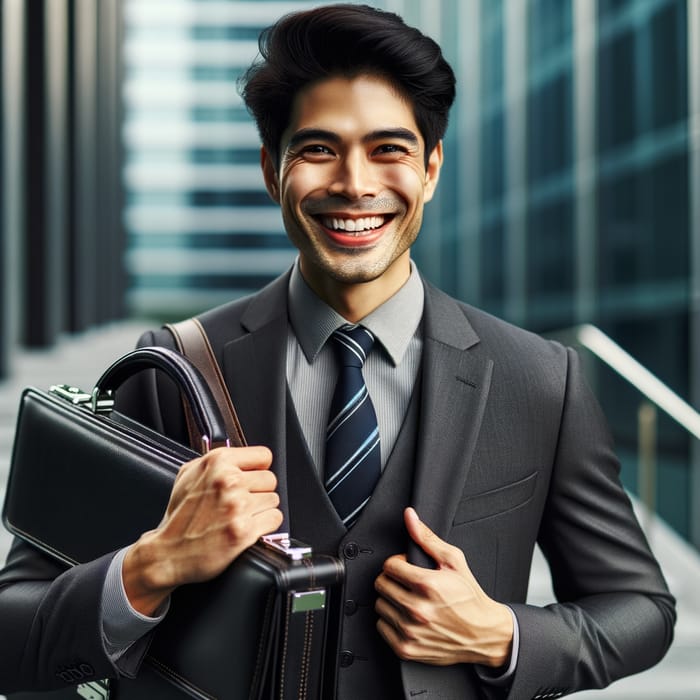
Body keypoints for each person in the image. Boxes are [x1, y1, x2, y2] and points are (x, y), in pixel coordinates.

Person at [0, 4, 676, 699]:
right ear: (272, 170)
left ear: (432, 168)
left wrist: (503, 634)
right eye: (319, 149)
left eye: (389, 149)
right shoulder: (172, 370)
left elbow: (640, 610)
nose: (355, 183)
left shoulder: (540, 380)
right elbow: (13, 634)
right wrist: (150, 566)